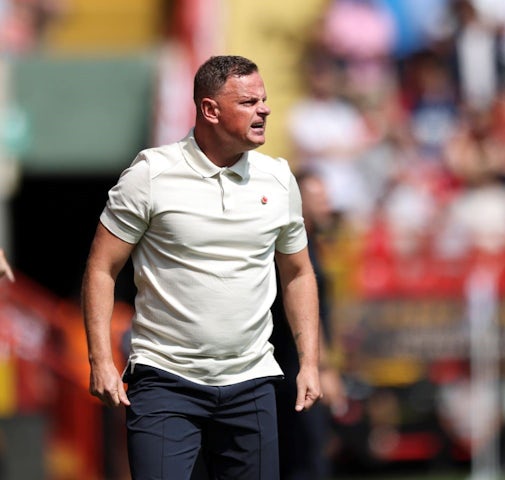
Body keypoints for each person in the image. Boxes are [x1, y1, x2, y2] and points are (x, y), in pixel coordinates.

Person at [81, 55, 322, 480]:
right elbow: (101, 268)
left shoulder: (279, 179)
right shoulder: (151, 174)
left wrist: (310, 362)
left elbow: (299, 274)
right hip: (164, 382)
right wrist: (100, 360)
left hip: (252, 382)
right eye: (249, 102)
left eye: (264, 99)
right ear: (210, 110)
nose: (264, 109)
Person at [271, 170, 347, 479]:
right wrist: (323, 368)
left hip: (299, 365)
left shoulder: (313, 242)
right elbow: (308, 311)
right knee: (306, 455)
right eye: (319, 198)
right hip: (294, 366)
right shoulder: (295, 245)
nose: (327, 205)